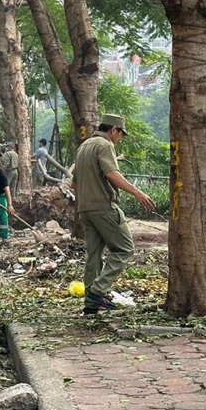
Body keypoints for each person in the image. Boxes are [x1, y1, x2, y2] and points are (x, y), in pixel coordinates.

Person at [73, 114, 155, 315]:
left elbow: (74, 182)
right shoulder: (105, 144)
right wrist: (138, 192)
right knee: (125, 249)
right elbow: (111, 173)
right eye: (121, 134)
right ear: (113, 130)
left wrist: (81, 203)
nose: (120, 138)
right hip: (103, 207)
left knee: (94, 254)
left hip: (85, 208)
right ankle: (97, 291)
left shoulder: (84, 146)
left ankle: (91, 303)